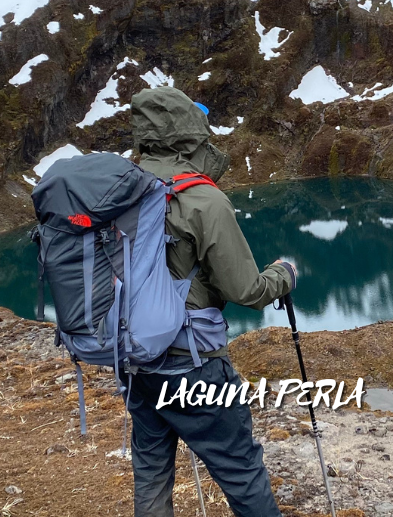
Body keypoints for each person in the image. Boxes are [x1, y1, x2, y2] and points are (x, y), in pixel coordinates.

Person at [126, 86, 297, 517]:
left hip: (135, 362)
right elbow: (247, 291)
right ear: (191, 135)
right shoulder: (203, 199)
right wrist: (284, 274)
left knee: (150, 469)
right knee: (241, 471)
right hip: (194, 365)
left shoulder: (119, 191)